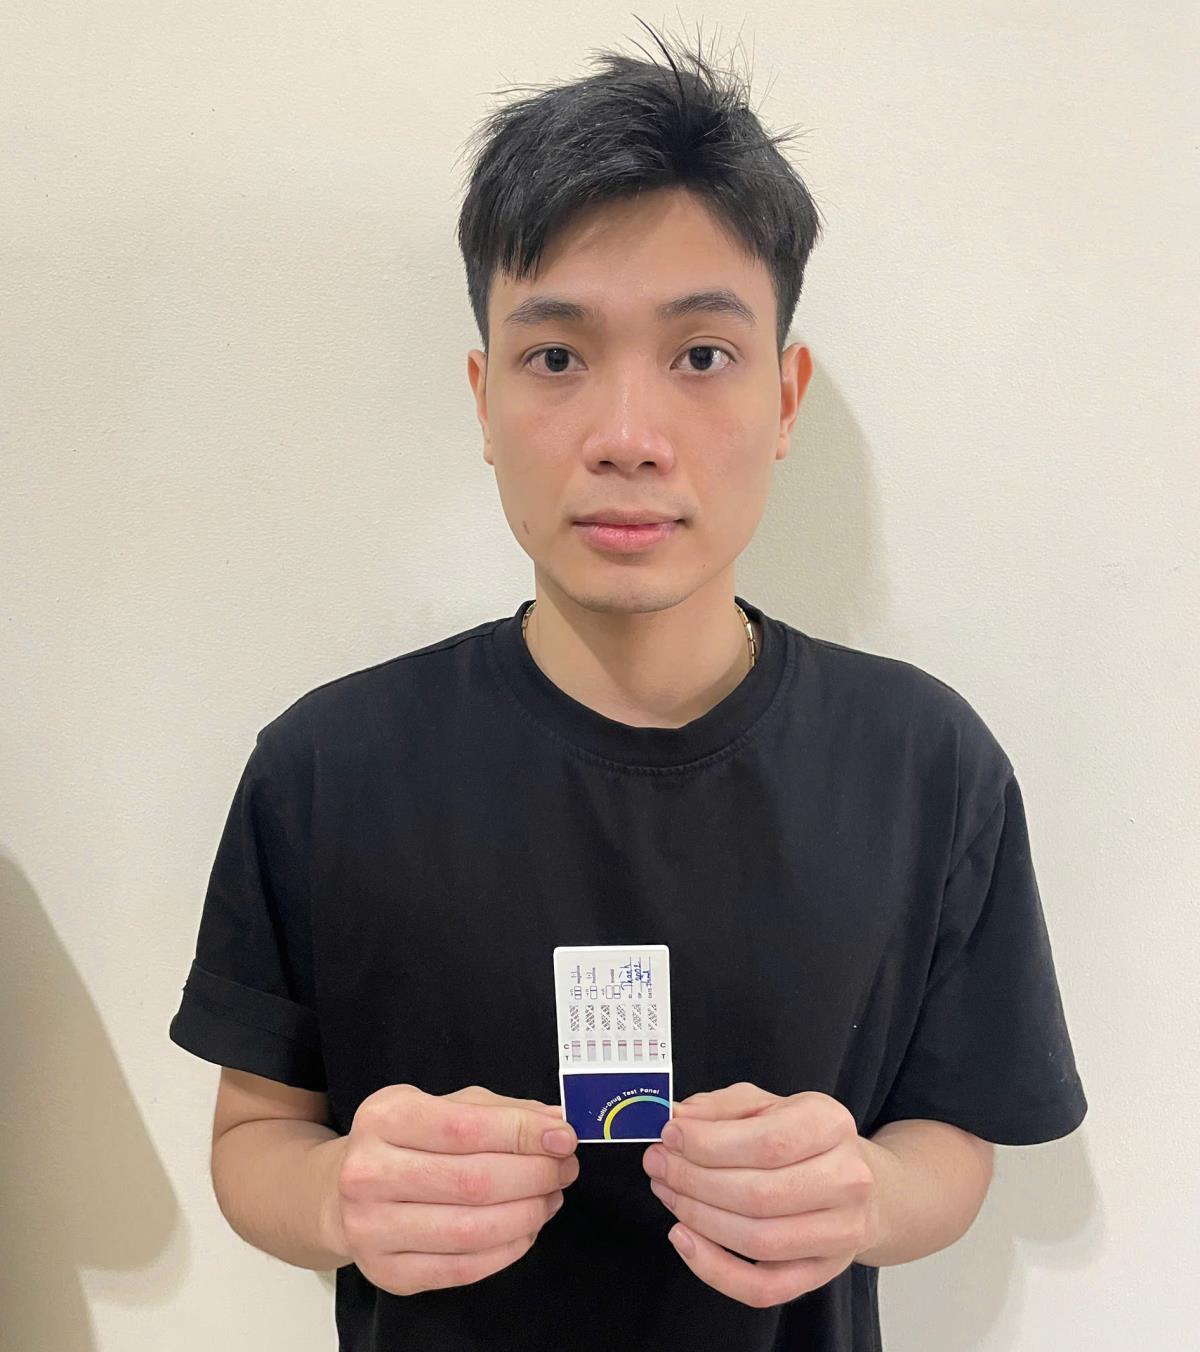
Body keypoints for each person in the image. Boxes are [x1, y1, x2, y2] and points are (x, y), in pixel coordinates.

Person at [169, 19, 1087, 1351]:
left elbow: (955, 1137)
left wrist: (865, 1195)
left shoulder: (923, 760)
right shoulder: (327, 765)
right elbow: (255, 1137)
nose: (628, 437)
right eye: (556, 357)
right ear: (484, 400)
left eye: (702, 355)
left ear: (785, 398)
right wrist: (338, 1197)